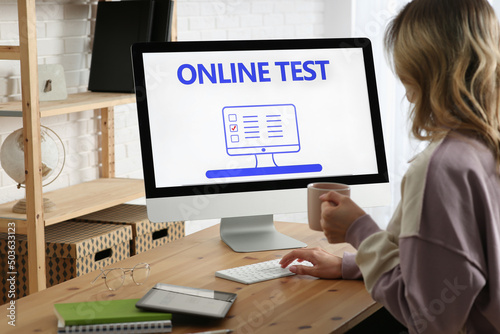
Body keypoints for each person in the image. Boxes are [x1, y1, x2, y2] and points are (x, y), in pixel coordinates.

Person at [280, 0, 500, 333]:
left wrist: (358, 230)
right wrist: (351, 264)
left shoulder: (442, 169)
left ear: (419, 71)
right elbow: (452, 268)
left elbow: (428, 319)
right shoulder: (486, 147)